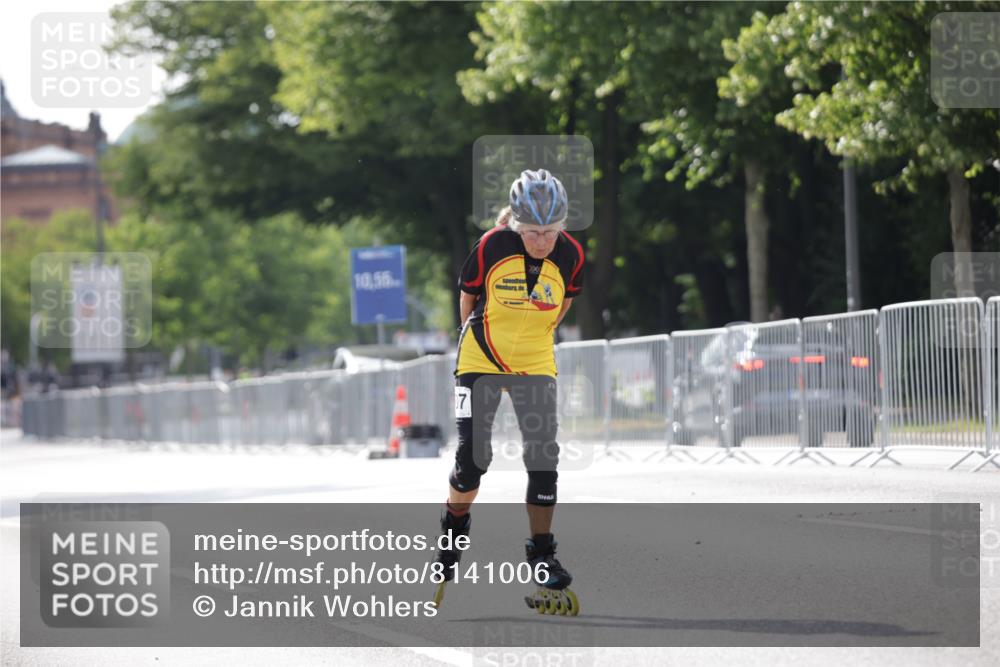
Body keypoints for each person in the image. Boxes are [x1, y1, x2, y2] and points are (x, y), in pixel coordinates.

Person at [433, 169, 584, 614]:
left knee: (543, 456)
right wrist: (474, 344)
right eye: (533, 232)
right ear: (516, 224)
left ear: (563, 226)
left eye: (550, 232)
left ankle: (542, 554)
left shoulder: (571, 254)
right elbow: (467, 300)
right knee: (473, 459)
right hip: (480, 359)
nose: (542, 241)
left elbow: (560, 308)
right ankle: (452, 530)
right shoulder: (492, 245)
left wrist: (530, 349)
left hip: (534, 361)